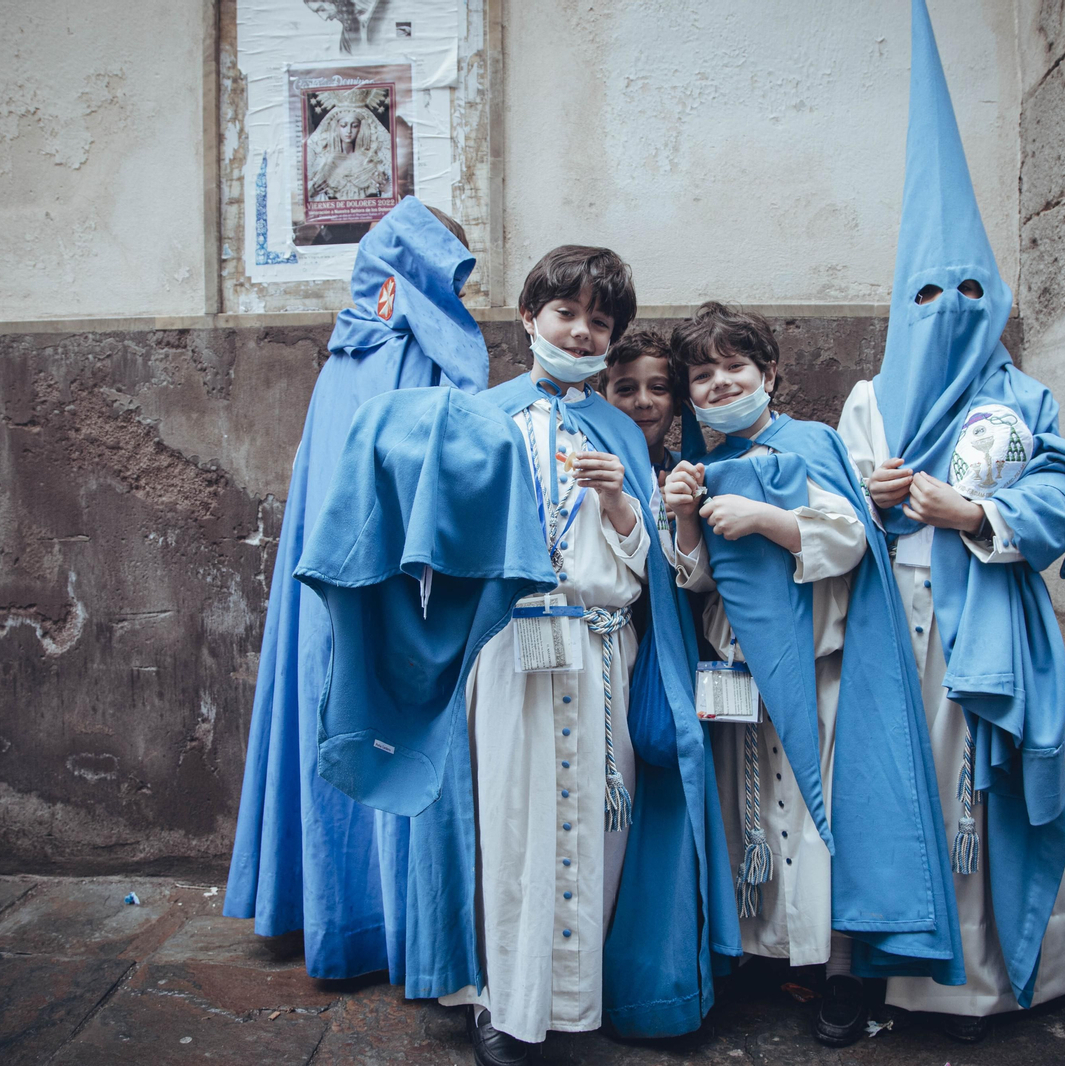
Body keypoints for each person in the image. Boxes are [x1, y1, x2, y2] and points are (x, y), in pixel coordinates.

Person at [304, 245, 738, 1066]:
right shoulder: (480, 414)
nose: (579, 332)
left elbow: (649, 568)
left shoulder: (620, 430)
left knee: (594, 827)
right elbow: (430, 516)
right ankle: (503, 1005)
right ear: (529, 318)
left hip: (599, 648)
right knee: (510, 825)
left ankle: (576, 1004)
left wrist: (618, 502)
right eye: (565, 314)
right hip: (508, 649)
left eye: (598, 323)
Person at [836, 0, 1065, 1044]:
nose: (954, 305)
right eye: (932, 288)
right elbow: (825, 516)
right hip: (891, 635)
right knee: (899, 794)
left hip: (990, 621)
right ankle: (893, 974)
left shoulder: (1021, 397)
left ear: (998, 296)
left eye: (973, 286)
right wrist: (864, 507)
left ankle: (998, 983)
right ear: (899, 299)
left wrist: (978, 510)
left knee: (987, 794)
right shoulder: (869, 401)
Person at [664, 302, 963, 1048]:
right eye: (703, 375)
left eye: (736, 366)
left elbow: (850, 537)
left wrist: (767, 520)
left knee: (819, 823)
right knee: (750, 818)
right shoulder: (698, 467)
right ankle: (768, 956)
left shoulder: (814, 443)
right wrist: (688, 518)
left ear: (770, 372)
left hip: (815, 673)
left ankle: (838, 972)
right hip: (737, 678)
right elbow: (695, 581)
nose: (722, 383)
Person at [223, 197, 485, 982]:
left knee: (334, 714)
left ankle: (332, 915)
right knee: (395, 723)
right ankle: (397, 929)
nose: (457, 298)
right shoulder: (424, 356)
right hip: (401, 588)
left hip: (329, 593)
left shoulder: (343, 356)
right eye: (451, 275)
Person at [600, 328, 679, 562]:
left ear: (676, 401)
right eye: (626, 389)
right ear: (602, 404)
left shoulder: (694, 471)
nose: (644, 401)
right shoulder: (592, 479)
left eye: (658, 388)